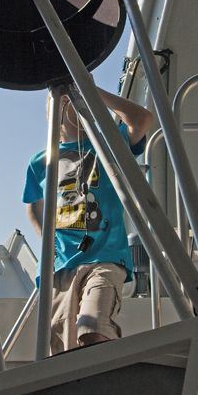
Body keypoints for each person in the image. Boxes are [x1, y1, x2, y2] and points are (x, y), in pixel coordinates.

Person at [23, 85, 153, 354]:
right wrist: (48, 243)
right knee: (62, 348)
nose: (66, 100)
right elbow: (33, 204)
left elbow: (141, 119)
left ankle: (108, 375)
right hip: (60, 266)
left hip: (105, 257)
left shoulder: (108, 143)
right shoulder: (40, 161)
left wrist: (88, 89)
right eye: (60, 98)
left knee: (93, 327)